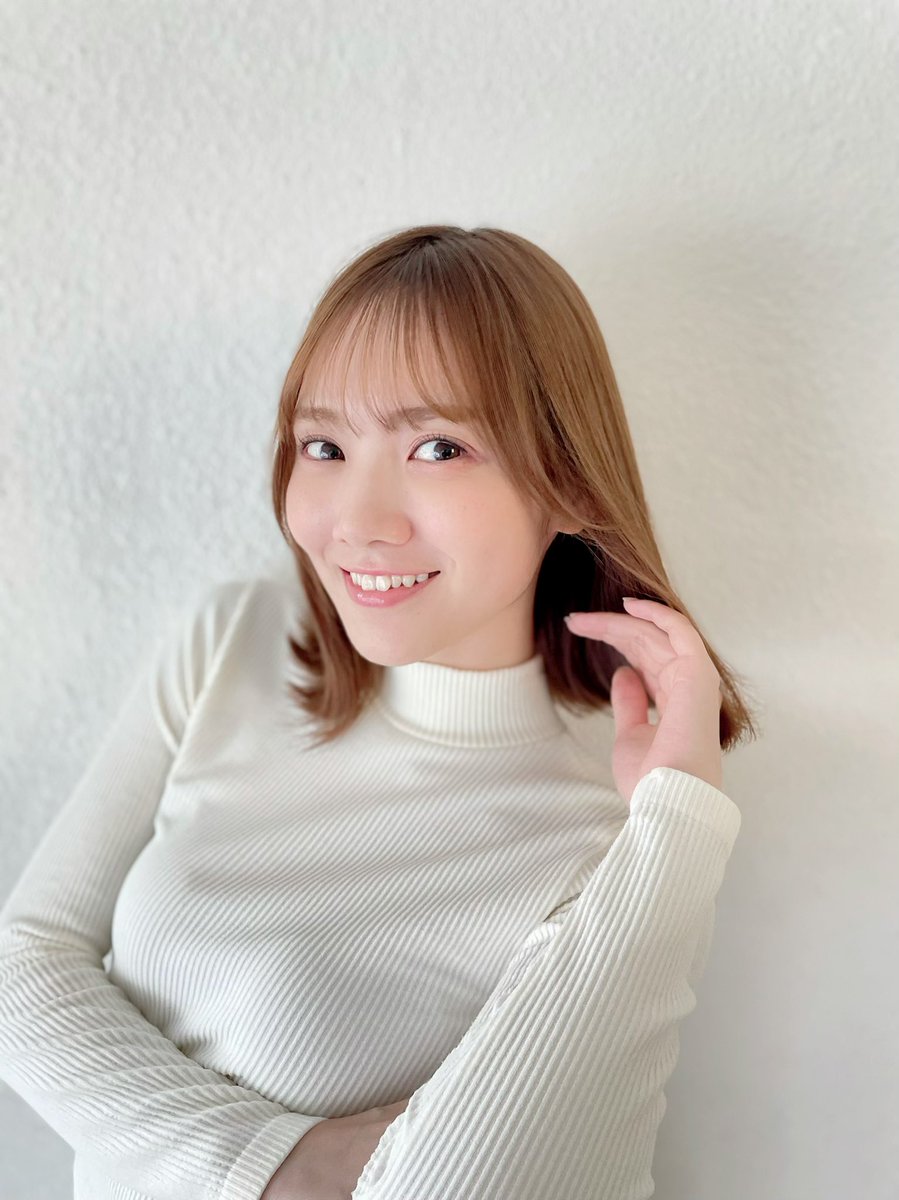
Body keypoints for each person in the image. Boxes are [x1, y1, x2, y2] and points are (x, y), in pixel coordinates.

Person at [0, 224, 760, 1200]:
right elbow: (25, 963)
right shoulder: (236, 642)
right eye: (323, 445)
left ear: (568, 479)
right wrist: (275, 1166)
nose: (358, 520)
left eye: (438, 447)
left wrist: (680, 823)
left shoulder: (619, 838)